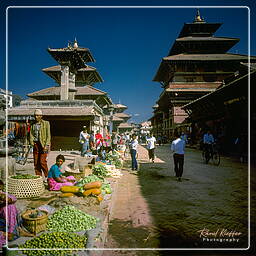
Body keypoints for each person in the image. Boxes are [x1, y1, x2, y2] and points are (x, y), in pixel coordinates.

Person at [29, 109, 51, 178]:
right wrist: (32, 143)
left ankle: (48, 177)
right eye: (35, 115)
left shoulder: (46, 123)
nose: (36, 117)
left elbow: (48, 135)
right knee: (36, 163)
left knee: (42, 161)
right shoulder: (33, 124)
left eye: (38, 115)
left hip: (43, 144)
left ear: (41, 116)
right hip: (36, 144)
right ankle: (39, 178)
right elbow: (31, 134)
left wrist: (46, 145)